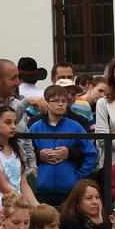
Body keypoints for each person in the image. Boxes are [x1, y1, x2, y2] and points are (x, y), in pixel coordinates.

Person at [26, 83, 94, 211]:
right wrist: (39, 156)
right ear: (46, 103)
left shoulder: (76, 127)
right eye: (56, 101)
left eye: (64, 101)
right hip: (41, 191)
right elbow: (24, 154)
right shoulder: (35, 127)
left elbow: (91, 154)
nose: (61, 104)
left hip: (68, 191)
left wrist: (77, 178)